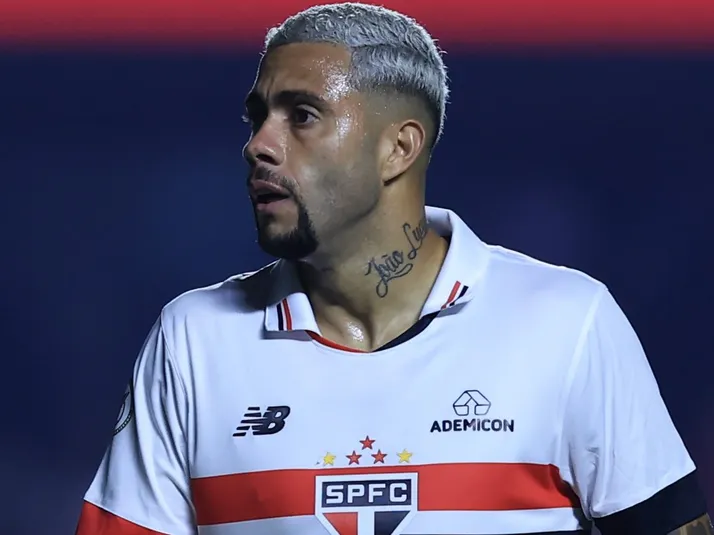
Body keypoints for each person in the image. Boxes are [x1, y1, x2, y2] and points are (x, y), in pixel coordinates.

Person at [75, 3, 710, 535]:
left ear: (399, 148)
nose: (258, 144)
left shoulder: (568, 323)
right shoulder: (193, 340)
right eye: (257, 117)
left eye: (301, 116)